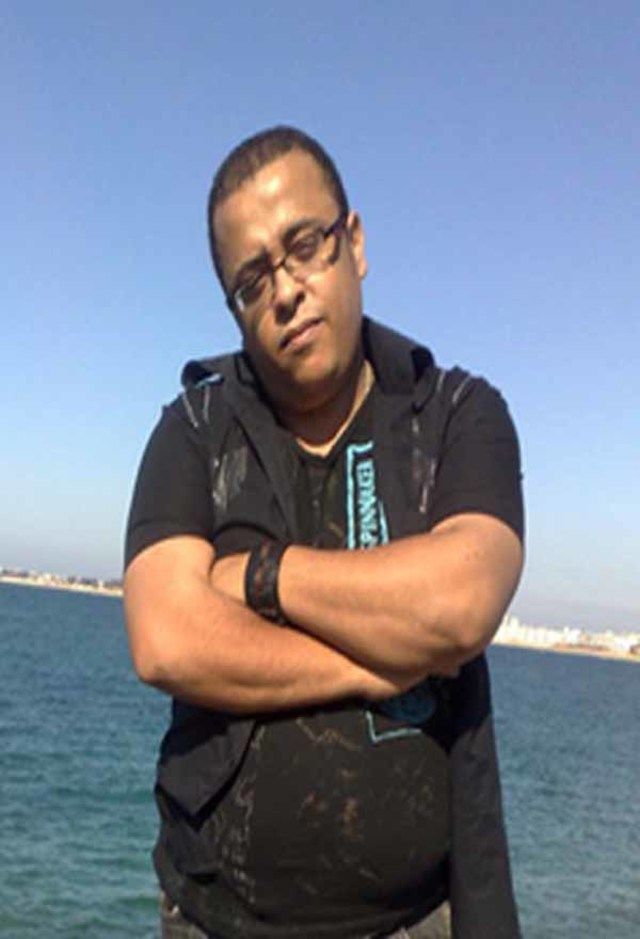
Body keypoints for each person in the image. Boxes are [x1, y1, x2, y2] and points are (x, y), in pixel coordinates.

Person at [124, 126, 524, 939]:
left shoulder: (457, 414)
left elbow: (459, 604)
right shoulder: (194, 430)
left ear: (355, 242)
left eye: (304, 246)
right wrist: (382, 660)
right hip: (214, 921)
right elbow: (165, 638)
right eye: (251, 280)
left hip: (414, 921)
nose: (285, 291)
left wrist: (259, 576)